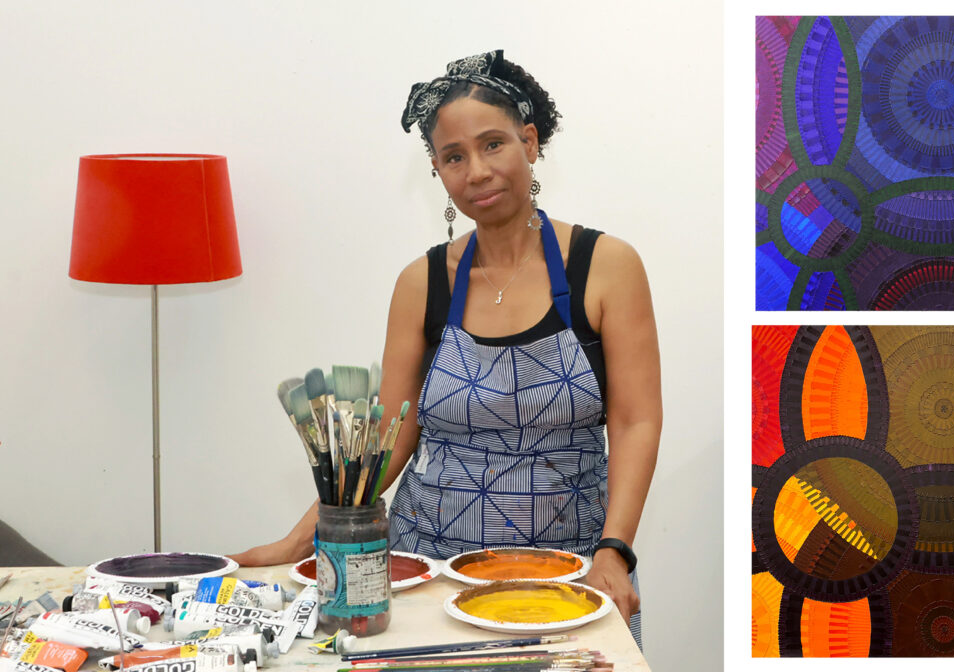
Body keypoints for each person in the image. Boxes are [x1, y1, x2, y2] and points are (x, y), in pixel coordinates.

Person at [229, 50, 661, 646]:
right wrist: (299, 541)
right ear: (437, 169)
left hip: (567, 574)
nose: (476, 171)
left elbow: (636, 421)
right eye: (454, 157)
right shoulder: (422, 282)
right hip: (428, 570)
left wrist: (616, 551)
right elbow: (390, 438)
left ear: (530, 143)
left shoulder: (606, 266)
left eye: (493, 145)